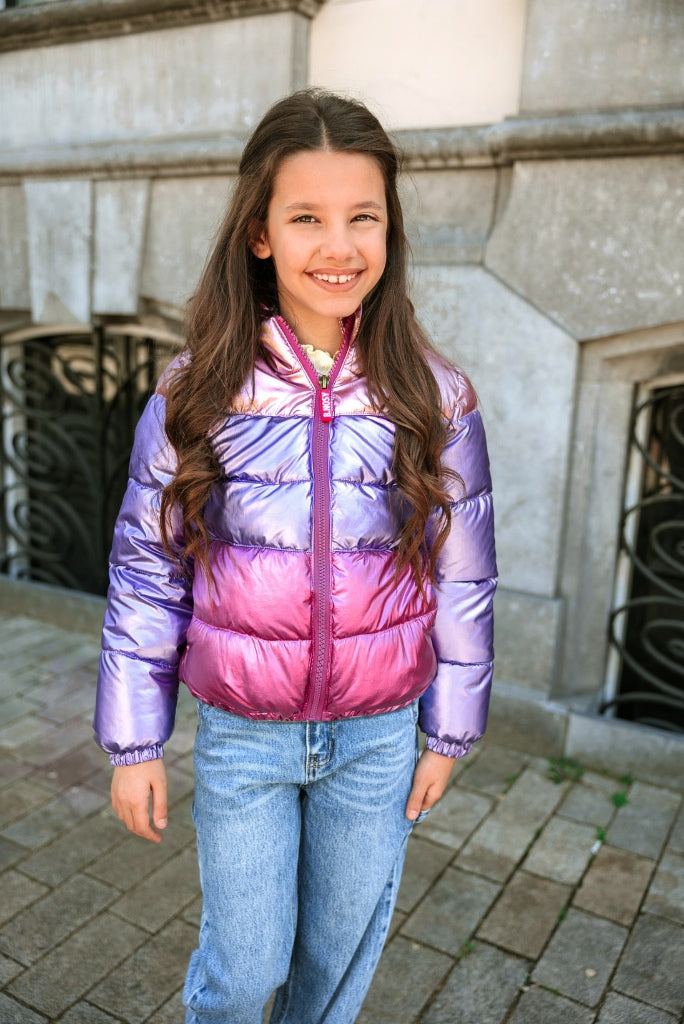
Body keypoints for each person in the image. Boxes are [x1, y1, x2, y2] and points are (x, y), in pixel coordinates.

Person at [93, 89, 497, 1024]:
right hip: (244, 737)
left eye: (364, 217)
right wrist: (135, 740)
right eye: (306, 217)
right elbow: (147, 569)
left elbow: (463, 574)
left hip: (379, 736)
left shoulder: (436, 398)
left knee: (331, 971)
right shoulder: (197, 393)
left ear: (390, 230)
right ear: (260, 234)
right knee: (245, 967)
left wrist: (450, 729)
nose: (339, 246)